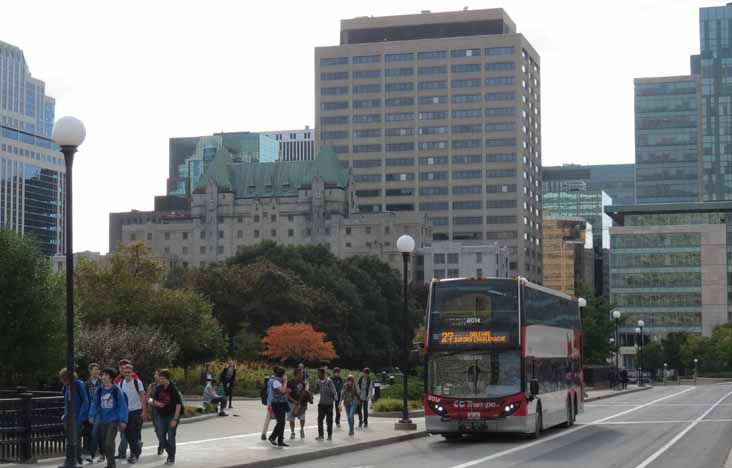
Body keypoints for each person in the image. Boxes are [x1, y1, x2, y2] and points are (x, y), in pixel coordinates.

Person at [89, 368, 128, 468]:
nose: (103, 376)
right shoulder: (99, 390)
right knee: (105, 444)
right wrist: (92, 415)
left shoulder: (116, 390)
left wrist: (123, 420)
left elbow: (122, 406)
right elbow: (94, 403)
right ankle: (110, 464)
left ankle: (111, 464)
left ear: (111, 377)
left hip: (113, 421)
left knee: (109, 443)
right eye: (103, 374)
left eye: (106, 375)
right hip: (102, 420)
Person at [151, 369, 183, 465]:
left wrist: (175, 419)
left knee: (171, 437)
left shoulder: (173, 389)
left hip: (172, 416)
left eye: (162, 379)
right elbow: (151, 399)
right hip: (161, 416)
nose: (160, 380)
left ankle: (171, 457)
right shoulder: (159, 388)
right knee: (160, 435)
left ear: (167, 379)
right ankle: (170, 452)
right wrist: (156, 403)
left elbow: (178, 405)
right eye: (159, 378)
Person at [59, 368, 90, 466]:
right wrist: (65, 414)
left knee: (75, 438)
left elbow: (85, 401)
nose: (62, 382)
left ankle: (77, 459)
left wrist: (81, 416)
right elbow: (66, 402)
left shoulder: (78, 384)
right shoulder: (66, 387)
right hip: (68, 416)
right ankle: (73, 458)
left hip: (77, 416)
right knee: (69, 438)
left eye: (63, 379)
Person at [118, 364, 146, 464]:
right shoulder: (120, 384)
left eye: (129, 372)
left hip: (136, 411)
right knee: (128, 434)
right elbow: (119, 400)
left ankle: (134, 455)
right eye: (125, 373)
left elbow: (143, 397)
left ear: (132, 372)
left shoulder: (137, 382)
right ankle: (137, 447)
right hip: (126, 413)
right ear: (123, 373)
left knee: (133, 434)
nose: (127, 374)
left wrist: (144, 411)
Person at [113, 359, 137, 461]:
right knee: (124, 432)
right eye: (121, 368)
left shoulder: (134, 378)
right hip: (123, 410)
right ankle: (123, 452)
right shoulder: (118, 379)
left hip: (133, 410)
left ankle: (133, 452)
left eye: (124, 368)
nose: (122, 370)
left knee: (130, 433)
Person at [83, 363, 103, 463]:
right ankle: (97, 453)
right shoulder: (86, 384)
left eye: (98, 370)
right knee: (93, 433)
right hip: (91, 412)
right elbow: (85, 399)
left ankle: (97, 453)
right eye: (95, 370)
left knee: (97, 433)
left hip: (102, 411)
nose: (97, 372)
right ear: (90, 371)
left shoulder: (102, 382)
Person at [268, 367, 289, 447]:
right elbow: (283, 390)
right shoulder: (276, 381)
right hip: (277, 404)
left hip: (281, 403)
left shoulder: (279, 381)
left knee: (282, 423)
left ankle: (280, 440)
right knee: (281, 422)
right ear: (282, 374)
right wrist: (286, 381)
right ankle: (273, 437)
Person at [287, 368, 311, 439]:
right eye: (300, 373)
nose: (302, 374)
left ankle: (302, 429)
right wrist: (294, 401)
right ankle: (292, 432)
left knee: (302, 417)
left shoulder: (303, 383)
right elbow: (287, 394)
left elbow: (306, 393)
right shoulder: (290, 382)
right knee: (291, 418)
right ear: (296, 373)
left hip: (301, 403)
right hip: (291, 403)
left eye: (302, 373)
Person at [314, 368, 337, 441]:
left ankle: (329, 435)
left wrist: (326, 388)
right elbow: (315, 391)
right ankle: (321, 435)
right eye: (318, 373)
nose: (318, 375)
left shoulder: (329, 381)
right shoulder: (318, 381)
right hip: (321, 404)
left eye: (319, 373)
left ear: (323, 374)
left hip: (329, 404)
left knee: (329, 421)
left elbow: (333, 391)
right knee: (320, 420)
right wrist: (316, 386)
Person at [147, 369, 165, 456]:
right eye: (154, 374)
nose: (154, 376)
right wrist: (152, 402)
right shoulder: (152, 386)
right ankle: (162, 442)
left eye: (156, 374)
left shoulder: (165, 385)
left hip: (164, 411)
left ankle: (161, 445)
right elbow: (148, 398)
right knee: (157, 429)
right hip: (155, 411)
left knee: (161, 429)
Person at [261, 367, 277, 441]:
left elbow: (267, 391)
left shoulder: (269, 379)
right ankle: (278, 433)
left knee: (268, 418)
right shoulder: (276, 380)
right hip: (275, 401)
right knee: (279, 419)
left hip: (269, 401)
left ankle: (264, 434)